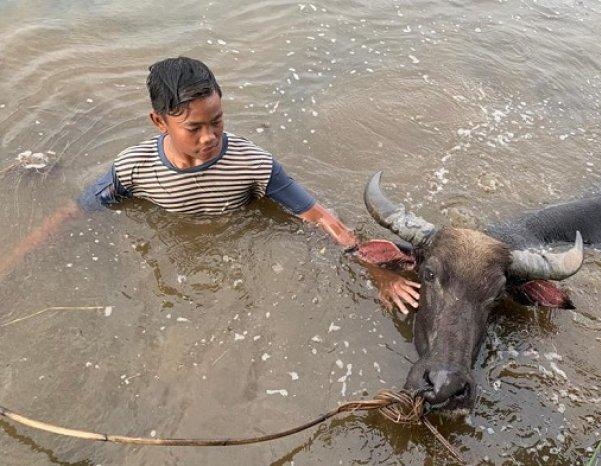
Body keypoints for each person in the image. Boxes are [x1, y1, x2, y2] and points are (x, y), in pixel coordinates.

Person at [0, 57, 420, 314]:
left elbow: (319, 216)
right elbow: (71, 213)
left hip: (239, 258)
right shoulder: (132, 169)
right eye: (193, 127)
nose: (209, 137)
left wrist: (375, 271)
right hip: (170, 268)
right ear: (159, 122)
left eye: (217, 121)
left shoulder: (253, 164)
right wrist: (14, 261)